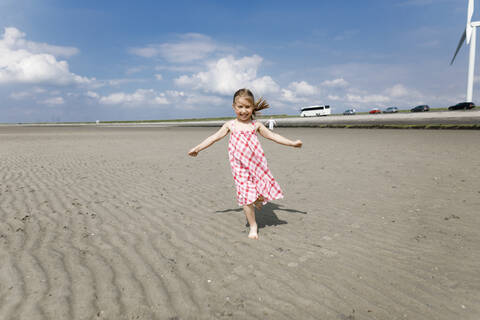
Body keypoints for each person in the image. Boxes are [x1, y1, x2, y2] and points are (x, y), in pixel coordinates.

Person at [188, 88, 302, 240]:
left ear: (253, 107)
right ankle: (253, 226)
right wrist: (198, 148)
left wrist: (292, 143)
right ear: (234, 107)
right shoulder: (230, 125)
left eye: (247, 107)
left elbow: (273, 136)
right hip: (239, 168)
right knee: (246, 197)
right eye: (240, 107)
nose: (244, 111)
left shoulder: (256, 125)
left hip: (257, 165)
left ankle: (258, 200)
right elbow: (214, 137)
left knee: (260, 191)